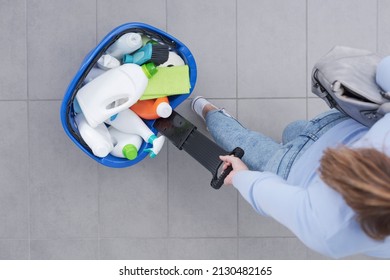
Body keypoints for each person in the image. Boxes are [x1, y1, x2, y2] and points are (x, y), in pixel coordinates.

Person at [191, 96, 390, 259]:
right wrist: (239, 176)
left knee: (294, 130)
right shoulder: (331, 233)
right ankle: (211, 113)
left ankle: (293, 139)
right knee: (243, 141)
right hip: (289, 168)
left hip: (335, 127)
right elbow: (270, 195)